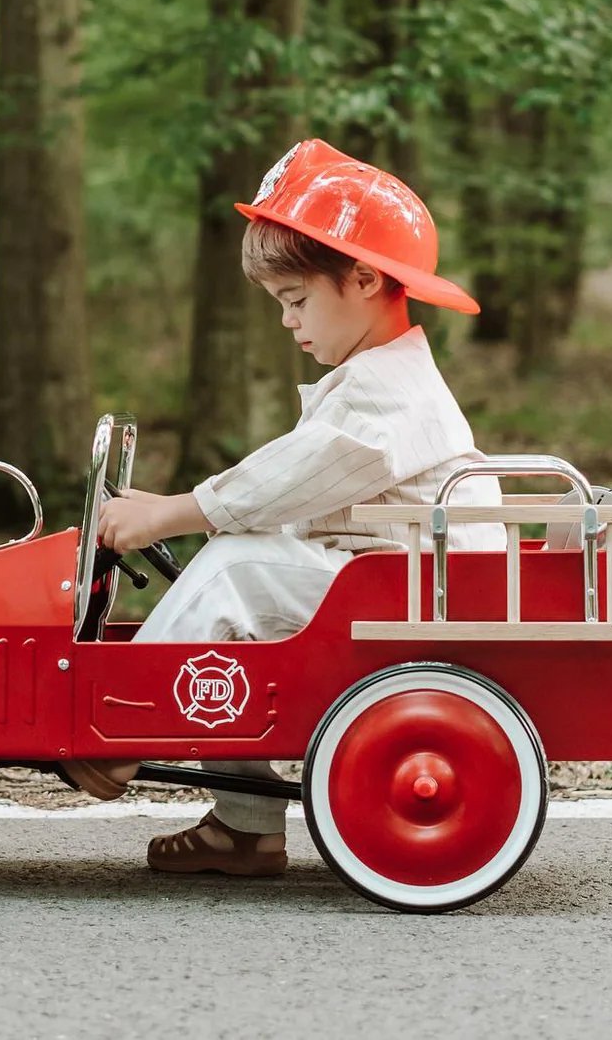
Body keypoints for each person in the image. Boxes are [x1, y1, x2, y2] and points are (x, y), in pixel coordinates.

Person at [64, 137, 506, 876]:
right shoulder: (373, 381)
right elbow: (297, 496)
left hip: (417, 596)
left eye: (296, 300)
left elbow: (285, 480)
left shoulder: (385, 395)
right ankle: (245, 824)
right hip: (393, 582)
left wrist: (173, 511)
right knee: (244, 602)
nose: (287, 321)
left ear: (363, 278)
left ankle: (120, 723)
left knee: (239, 569)